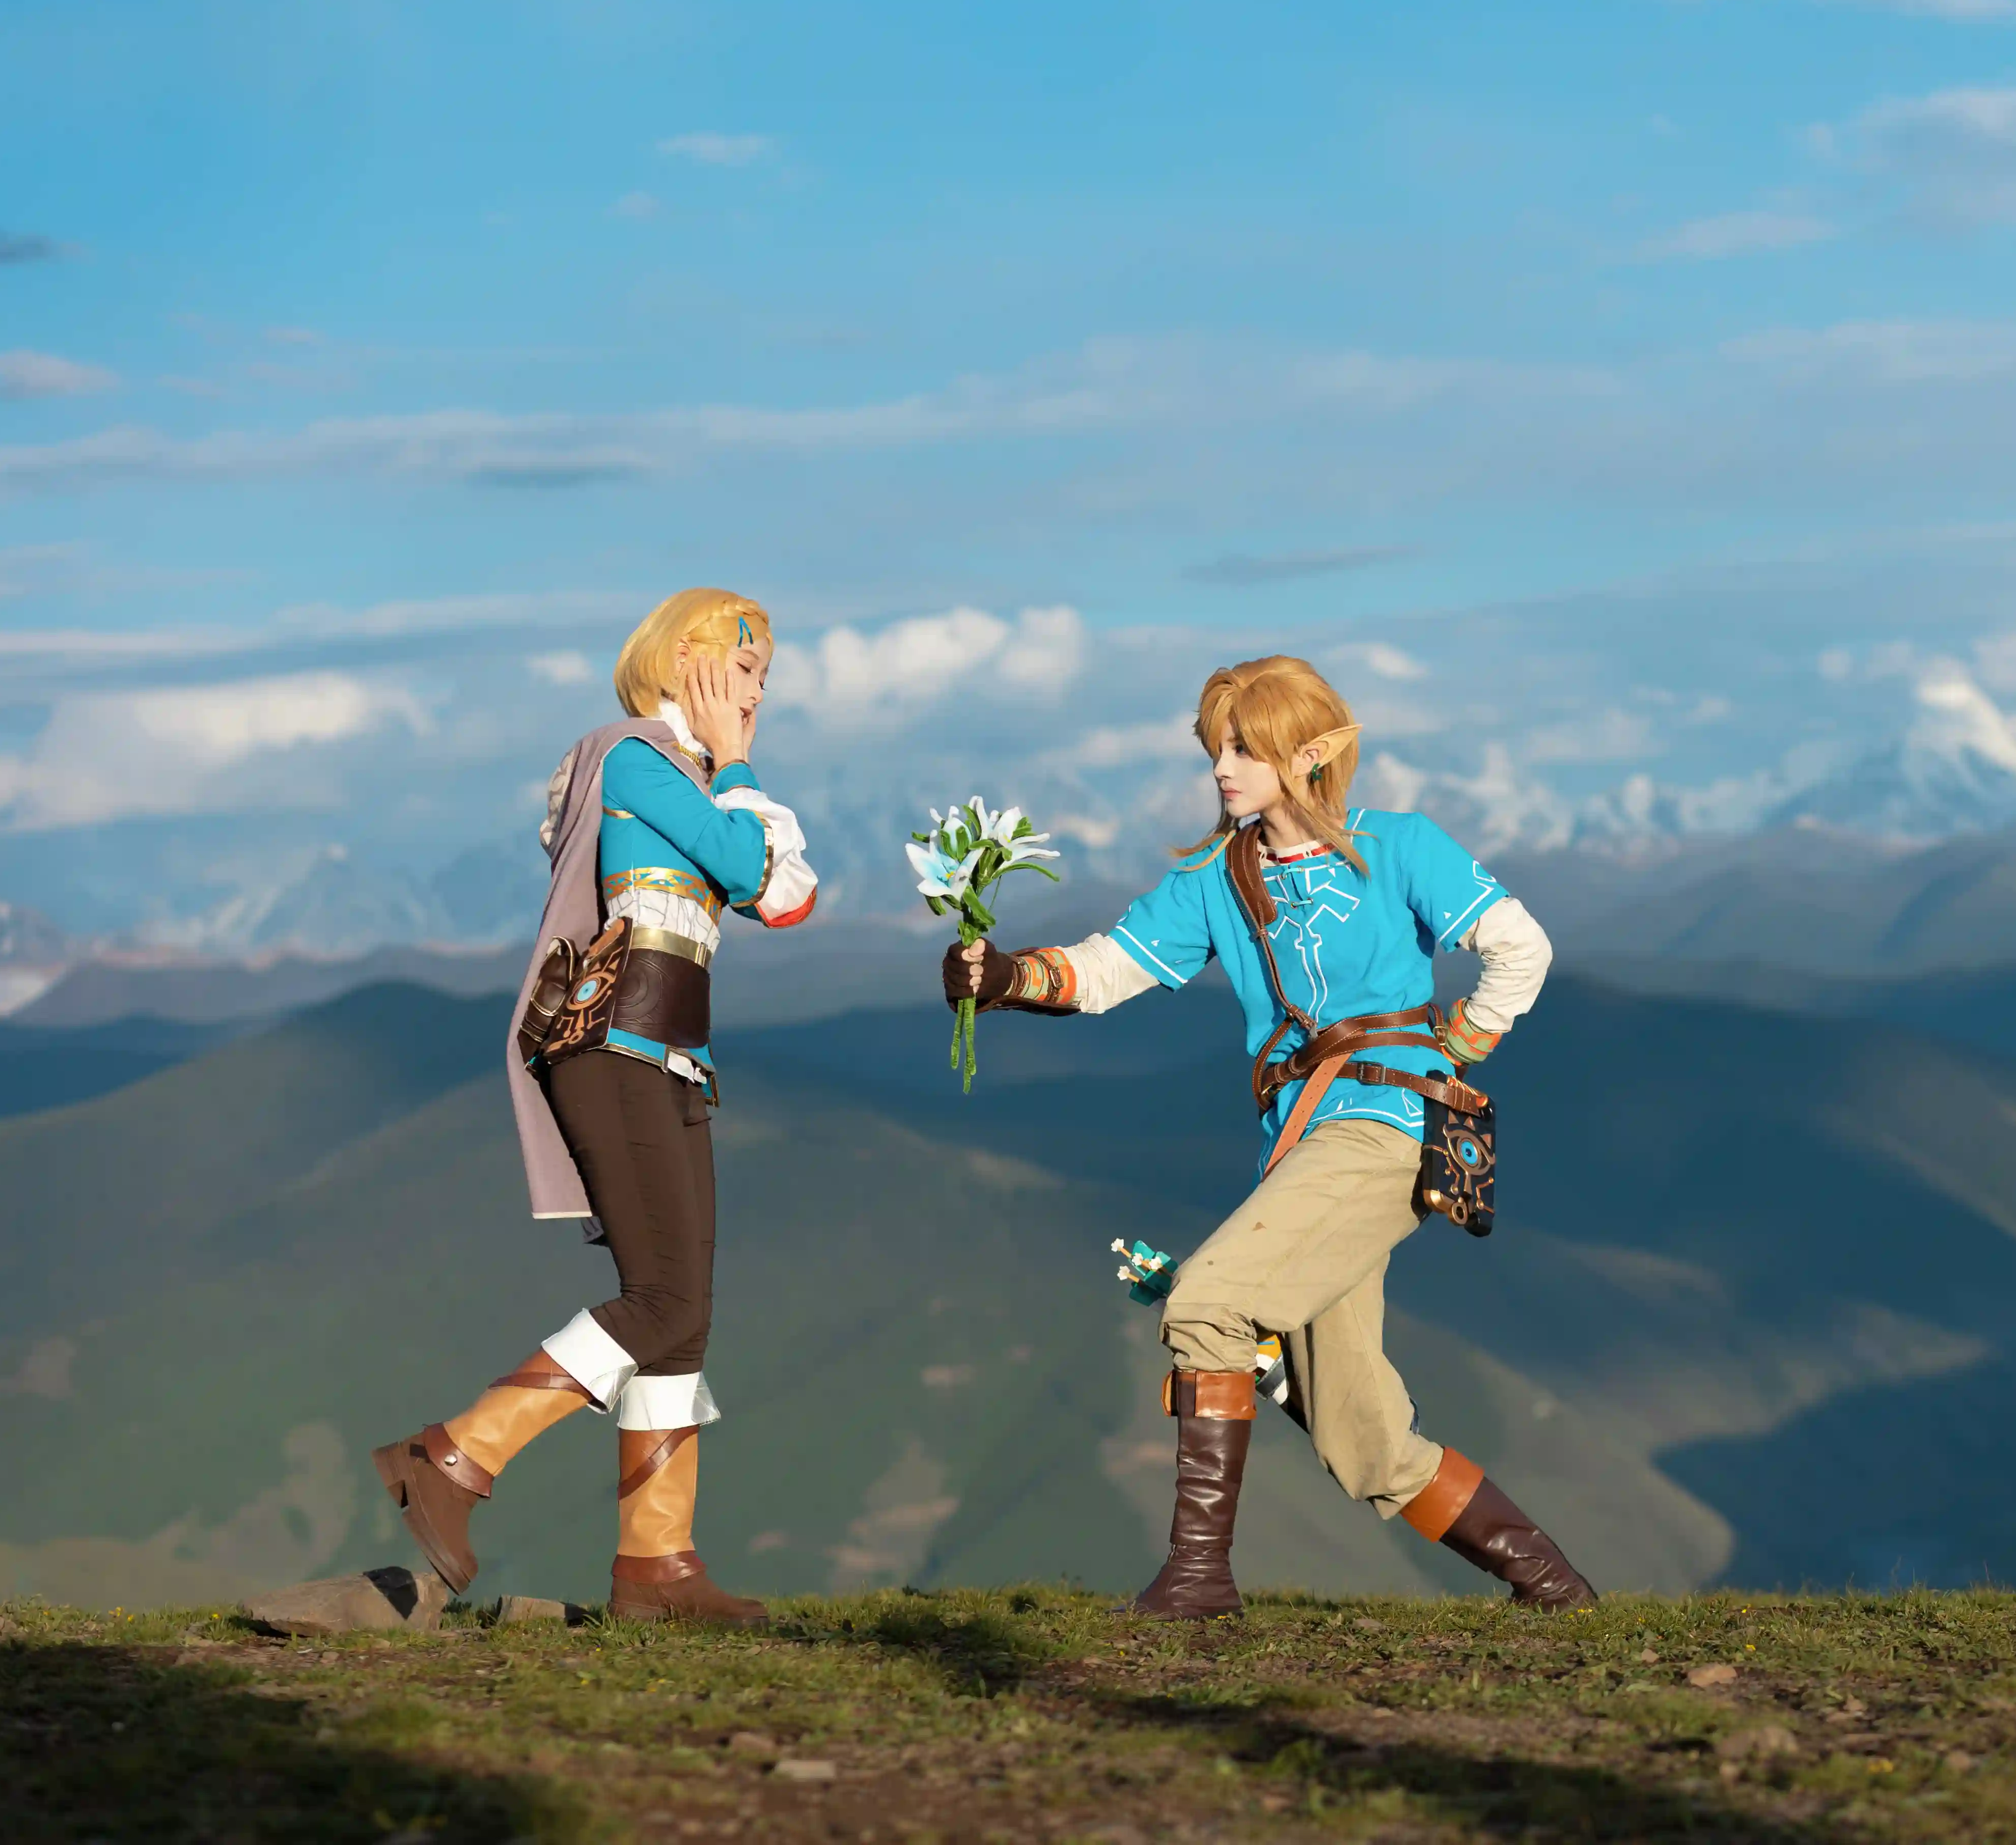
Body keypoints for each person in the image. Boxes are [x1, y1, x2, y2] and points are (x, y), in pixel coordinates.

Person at [948, 654, 1594, 1618]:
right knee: (1361, 1435)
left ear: (1315, 751)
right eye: (1218, 746)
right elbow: (1110, 968)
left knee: (1206, 1304)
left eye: (1246, 746)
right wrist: (1006, 979)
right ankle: (1554, 1589)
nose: (1222, 765)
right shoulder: (1216, 875)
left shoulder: (1400, 846)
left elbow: (1521, 945)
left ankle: (1199, 1579)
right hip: (1296, 1149)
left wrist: (1465, 1039)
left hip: (1387, 1129)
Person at [372, 587, 818, 1627]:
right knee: (661, 1300)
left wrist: (734, 768)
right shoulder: (627, 756)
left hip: (673, 1058)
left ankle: (656, 1567)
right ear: (686, 664)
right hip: (611, 1046)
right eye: (742, 668)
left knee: (681, 1316)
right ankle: (452, 1455)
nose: (758, 692)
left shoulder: (695, 778)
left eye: (765, 676)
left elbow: (791, 900)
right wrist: (737, 766)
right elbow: (752, 867)